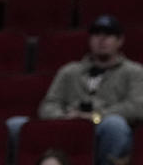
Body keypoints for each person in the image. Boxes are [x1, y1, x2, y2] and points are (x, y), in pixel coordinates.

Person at [37, 15, 143, 165]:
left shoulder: (134, 72)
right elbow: (48, 104)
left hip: (105, 129)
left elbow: (136, 108)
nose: (101, 39)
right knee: (17, 125)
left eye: (108, 35)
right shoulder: (70, 71)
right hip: (69, 128)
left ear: (120, 40)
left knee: (114, 125)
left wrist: (95, 116)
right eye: (96, 34)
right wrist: (65, 116)